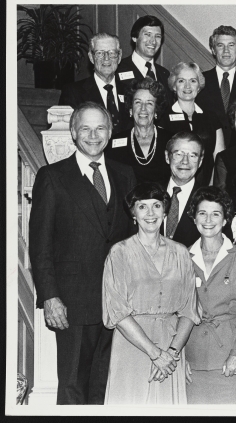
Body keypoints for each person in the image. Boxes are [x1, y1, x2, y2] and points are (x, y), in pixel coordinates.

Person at [28, 102, 137, 404]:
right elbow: (40, 244)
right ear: (74, 133)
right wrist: (50, 296)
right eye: (85, 128)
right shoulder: (52, 177)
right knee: (73, 385)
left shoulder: (124, 174)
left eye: (100, 128)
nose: (93, 135)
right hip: (72, 304)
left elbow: (131, 239)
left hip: (117, 303)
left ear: (110, 132)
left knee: (106, 386)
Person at [102, 182, 200, 404]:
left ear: (165, 212)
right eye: (142, 206)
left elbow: (189, 310)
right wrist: (156, 354)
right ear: (133, 213)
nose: (150, 213)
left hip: (171, 345)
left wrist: (171, 353)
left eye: (156, 206)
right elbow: (117, 312)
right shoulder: (120, 253)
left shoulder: (181, 252)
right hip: (133, 346)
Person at [184, 187, 236, 404]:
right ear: (194, 218)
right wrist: (180, 357)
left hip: (230, 358)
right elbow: (178, 309)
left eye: (215, 213)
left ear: (225, 219)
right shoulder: (184, 256)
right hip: (193, 359)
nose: (208, 219)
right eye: (202, 213)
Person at [161, 61, 225, 186]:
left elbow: (219, 157)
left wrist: (211, 187)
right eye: (181, 81)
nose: (187, 86)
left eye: (192, 81)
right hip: (172, 187)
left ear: (199, 86)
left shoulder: (211, 117)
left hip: (206, 185)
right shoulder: (163, 118)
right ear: (174, 86)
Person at [104, 77, 173, 186]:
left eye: (149, 103)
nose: (143, 109)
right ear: (131, 108)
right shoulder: (114, 143)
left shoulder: (171, 140)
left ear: (156, 110)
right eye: (138, 102)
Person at [59, 33, 130, 135]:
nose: (106, 58)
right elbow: (67, 133)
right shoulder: (73, 92)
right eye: (100, 53)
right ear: (91, 57)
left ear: (119, 56)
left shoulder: (130, 91)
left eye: (112, 53)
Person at [195, 25, 236, 148]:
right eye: (220, 45)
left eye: (231, 45)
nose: (226, 51)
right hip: (206, 153)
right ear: (213, 50)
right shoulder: (198, 81)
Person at [116, 15, 173, 106]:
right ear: (135, 37)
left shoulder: (165, 74)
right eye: (148, 34)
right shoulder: (117, 70)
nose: (153, 41)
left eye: (157, 36)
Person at [161, 131, 204, 248]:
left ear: (200, 161)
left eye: (192, 155)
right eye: (178, 154)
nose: (185, 161)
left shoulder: (210, 199)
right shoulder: (150, 194)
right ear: (167, 157)